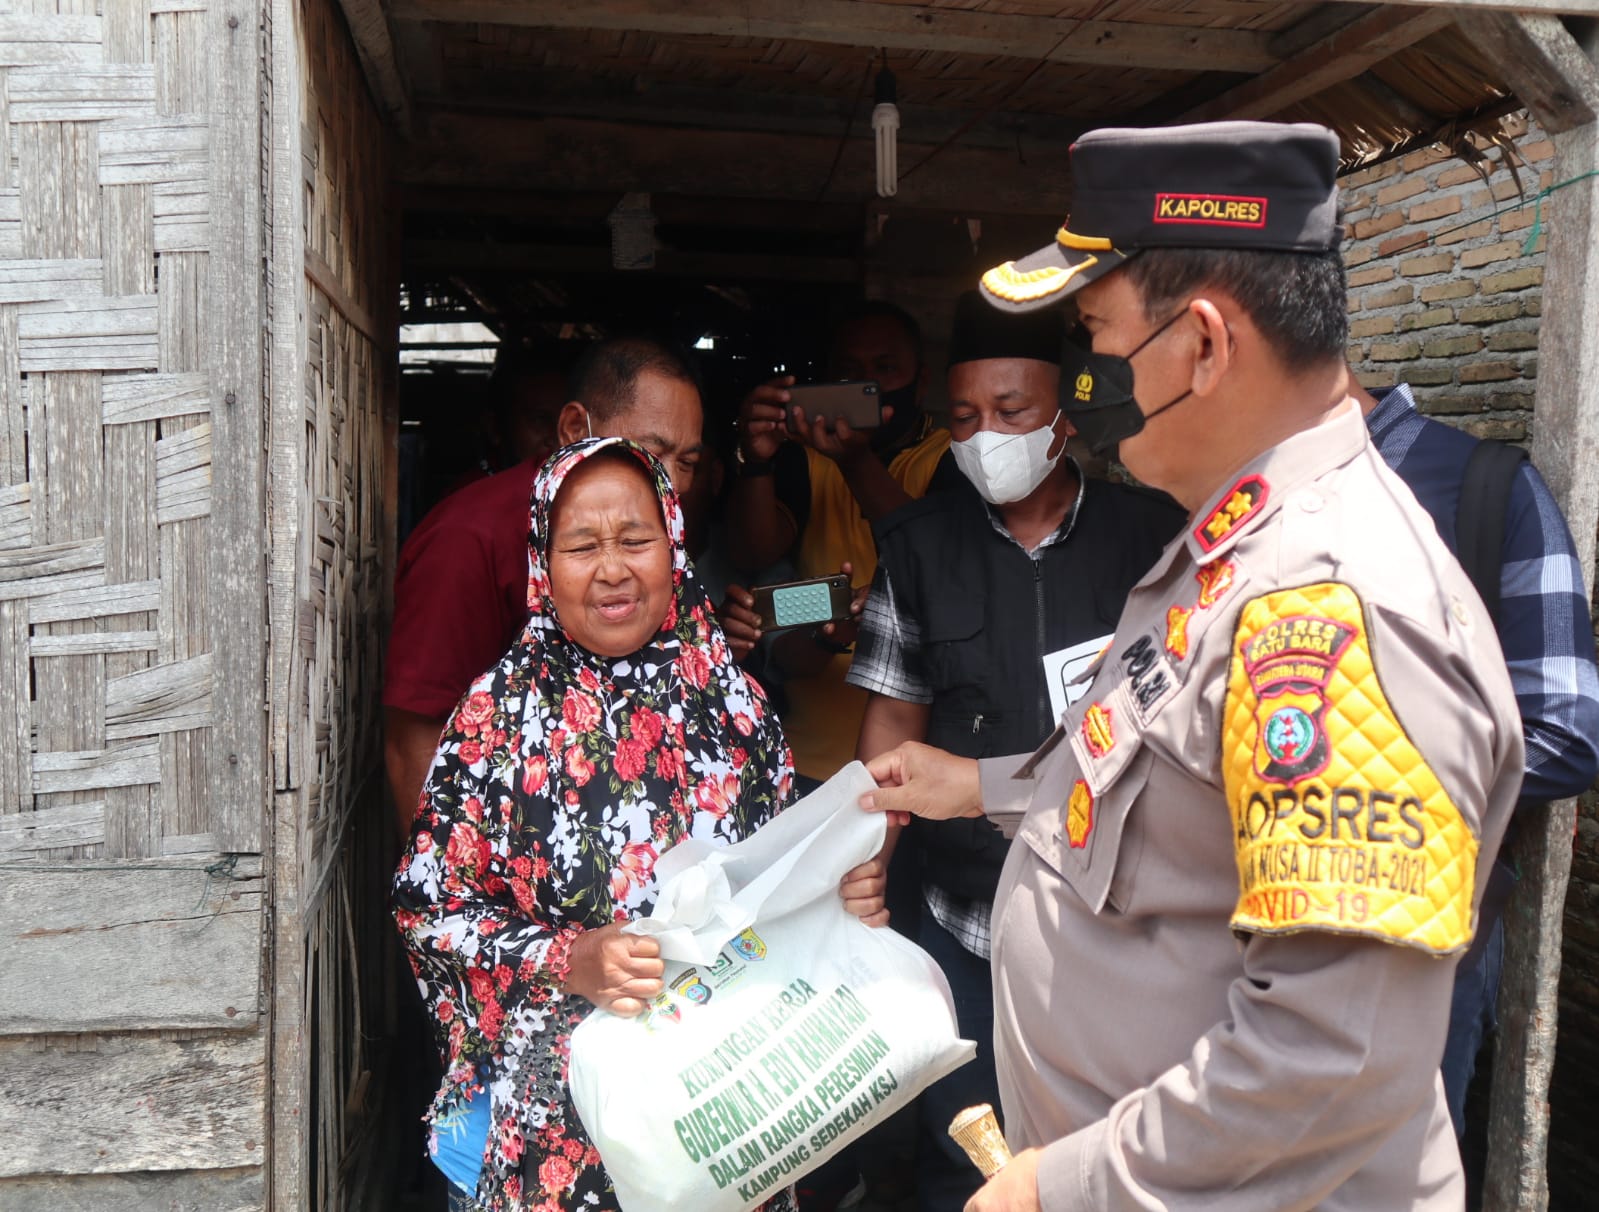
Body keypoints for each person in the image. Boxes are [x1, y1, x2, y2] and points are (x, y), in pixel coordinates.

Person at [861, 121, 1524, 1210]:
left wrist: (1058, 1189)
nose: (1087, 383)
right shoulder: (1226, 551)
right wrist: (978, 787)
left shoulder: (1331, 612)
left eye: (1096, 340)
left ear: (1205, 345)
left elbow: (1328, 1053)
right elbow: (1156, 788)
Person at [394, 438, 889, 1212]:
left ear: (674, 544)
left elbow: (782, 888)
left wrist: (840, 896)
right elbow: (429, 913)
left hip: (727, 1121)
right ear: (541, 564)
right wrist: (570, 958)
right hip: (557, 1138)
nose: (613, 569)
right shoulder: (492, 723)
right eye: (581, 546)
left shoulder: (735, 709)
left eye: (636, 538)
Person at [846, 291, 1183, 1212]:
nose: (984, 436)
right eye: (962, 419)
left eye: (1010, 413)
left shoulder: (1152, 532)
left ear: (1064, 417)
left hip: (1118, 919)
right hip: (964, 917)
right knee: (974, 1159)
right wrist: (870, 867)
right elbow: (891, 722)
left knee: (1113, 1157)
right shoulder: (916, 546)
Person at [1353, 375, 1599, 1135]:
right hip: (1237, 942)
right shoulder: (1229, 508)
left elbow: (1564, 730)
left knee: (1394, 1170)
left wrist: (1340, 787)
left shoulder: (1483, 490)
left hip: (1421, 943)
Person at [383, 338, 709, 836]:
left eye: (686, 462)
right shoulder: (470, 536)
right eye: (653, 452)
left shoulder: (662, 538)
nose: (674, 483)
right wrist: (450, 891)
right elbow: (416, 739)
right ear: (575, 428)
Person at [726, 302, 957, 786]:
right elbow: (752, 555)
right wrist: (756, 461)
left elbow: (929, 559)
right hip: (806, 755)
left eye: (884, 369)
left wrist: (854, 459)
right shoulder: (805, 462)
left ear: (921, 383)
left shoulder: (951, 460)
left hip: (919, 764)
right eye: (849, 373)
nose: (865, 385)